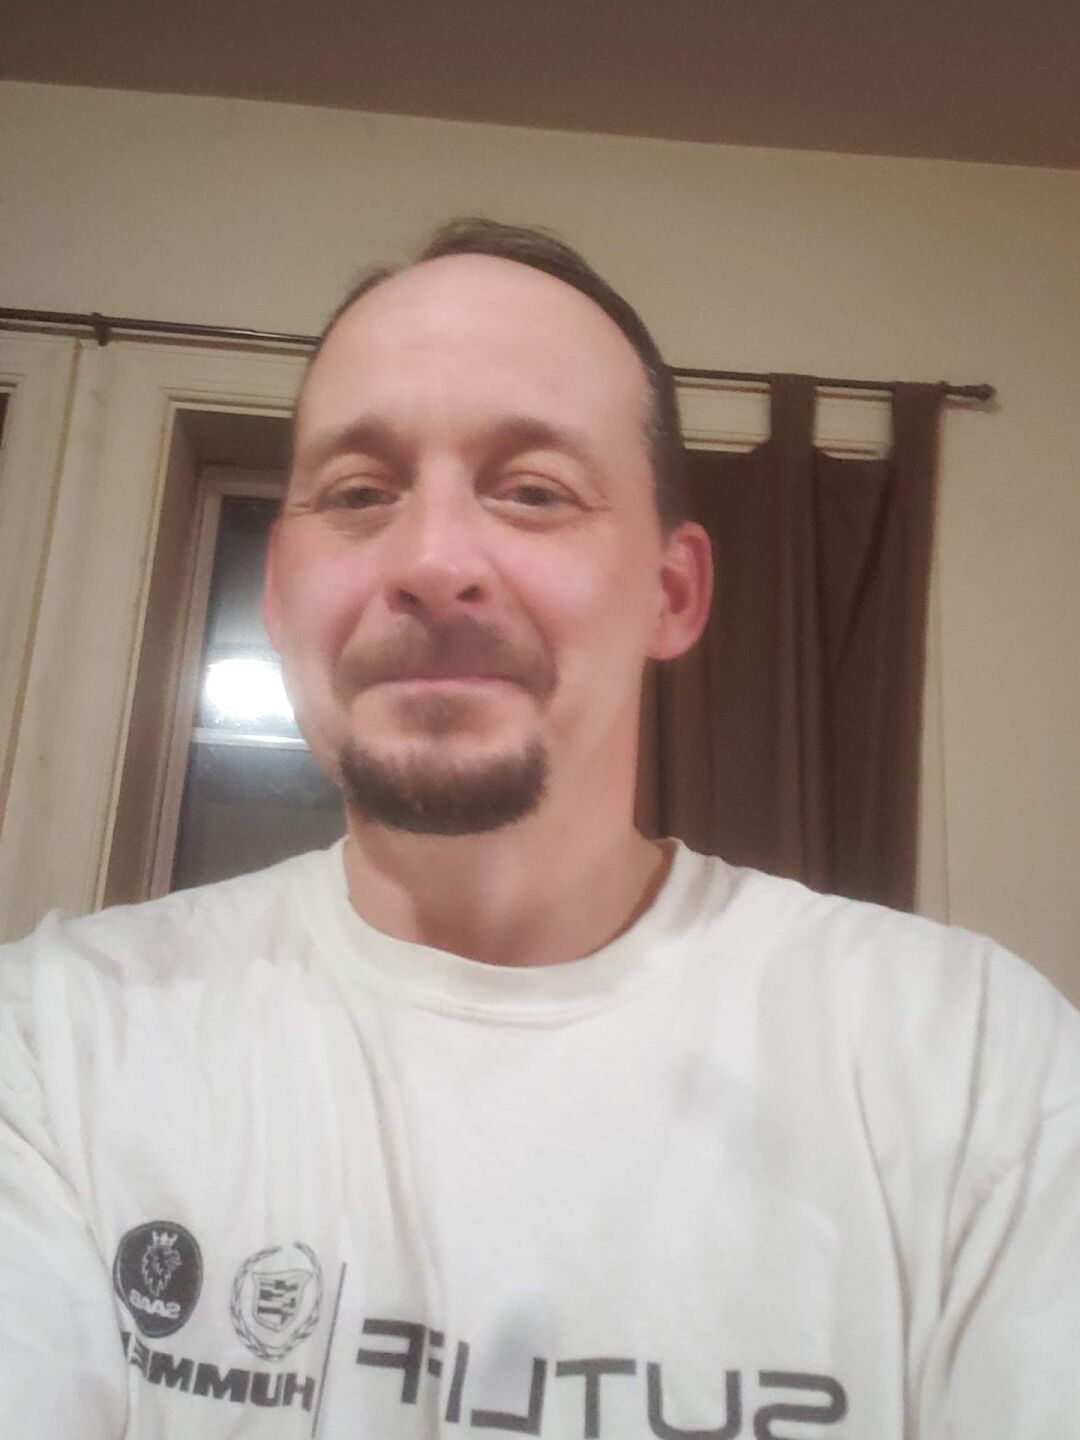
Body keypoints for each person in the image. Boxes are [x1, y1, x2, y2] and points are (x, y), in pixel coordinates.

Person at [1, 218, 1077, 1440]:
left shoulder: (978, 1065)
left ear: (673, 593)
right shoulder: (52, 1050)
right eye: (359, 494)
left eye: (532, 491)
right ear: (281, 590)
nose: (433, 560)